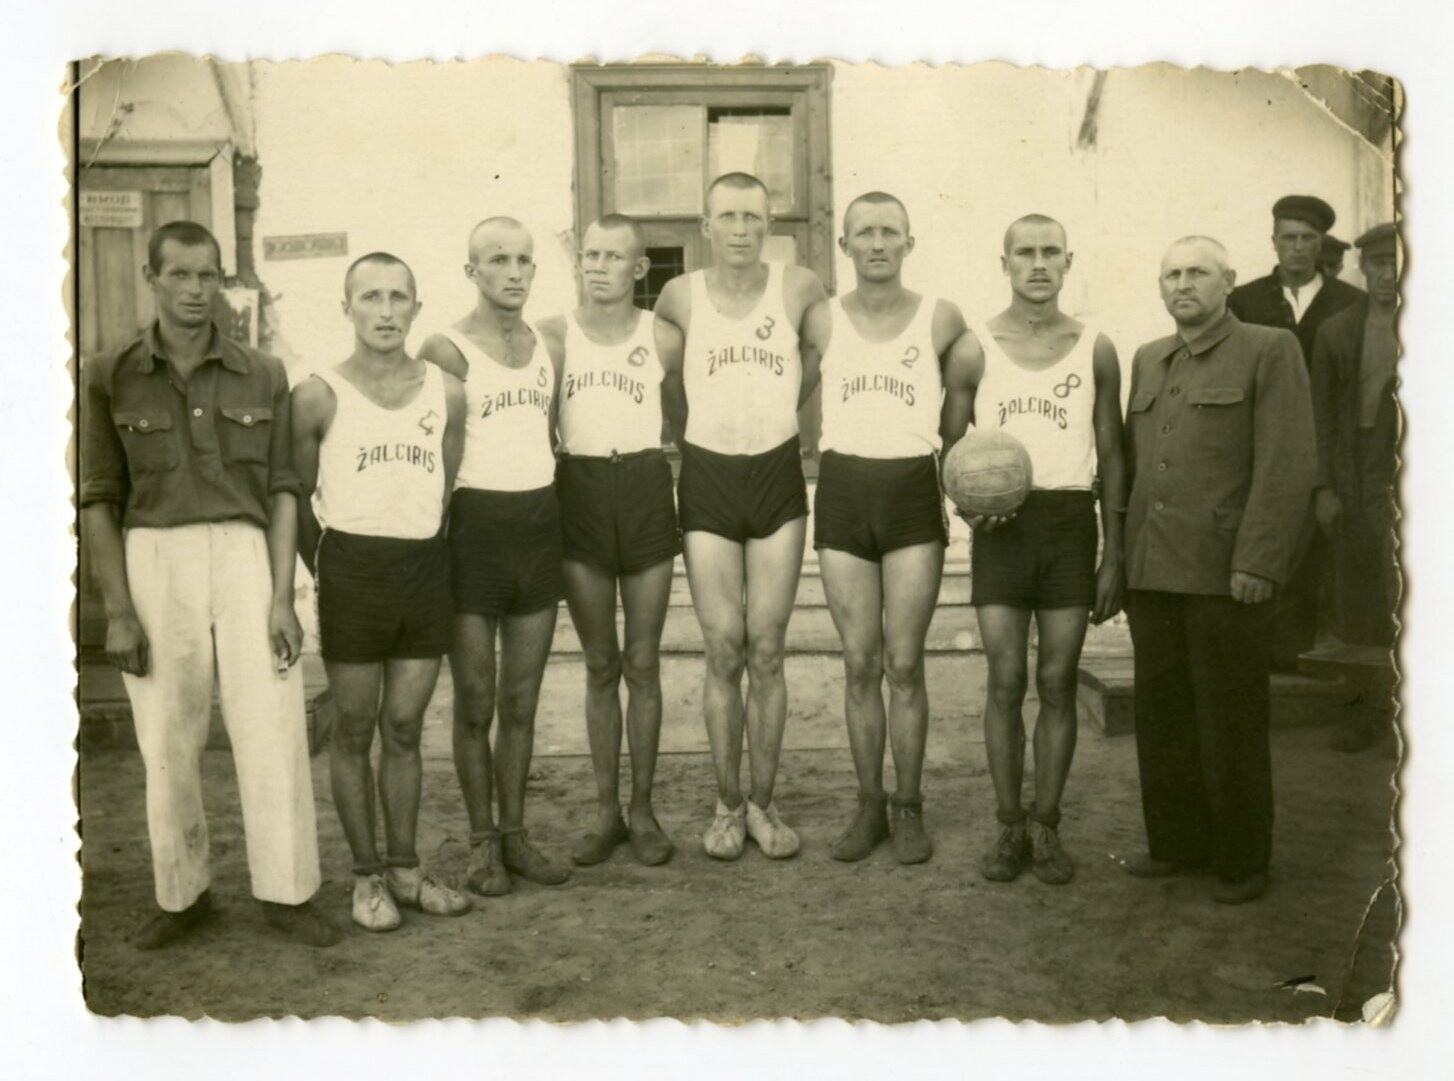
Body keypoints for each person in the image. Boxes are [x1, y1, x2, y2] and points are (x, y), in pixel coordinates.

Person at [80, 221, 339, 949]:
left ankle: (287, 893)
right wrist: (118, 610)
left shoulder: (263, 372)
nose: (195, 291)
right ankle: (181, 892)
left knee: (273, 724)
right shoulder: (111, 373)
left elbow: (286, 488)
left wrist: (283, 596)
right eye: (180, 275)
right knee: (166, 731)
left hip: (248, 554)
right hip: (154, 558)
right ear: (151, 277)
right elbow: (99, 496)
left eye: (208, 276)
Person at [1124, 236, 1314, 905]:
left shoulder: (1269, 349)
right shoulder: (1149, 359)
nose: (1183, 284)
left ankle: (1240, 858)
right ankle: (1176, 843)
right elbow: (1139, 471)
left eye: (1197, 273)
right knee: (1163, 717)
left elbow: (1288, 463)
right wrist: (1124, 564)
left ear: (1228, 281)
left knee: (1229, 722)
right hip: (1153, 573)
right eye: (1171, 273)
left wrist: (1260, 560)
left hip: (1226, 574)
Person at [940, 214, 1126, 885]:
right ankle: (1007, 824)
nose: (1039, 264)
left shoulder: (1095, 346)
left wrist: (1115, 552)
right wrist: (968, 505)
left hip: (1070, 521)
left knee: (1056, 679)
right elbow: (949, 446)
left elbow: (1111, 452)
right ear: (1005, 262)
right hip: (1004, 532)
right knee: (1006, 679)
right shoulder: (973, 347)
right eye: (1026, 252)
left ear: (1068, 261)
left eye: (1051, 252)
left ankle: (1047, 823)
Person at [293, 252, 472, 930]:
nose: (386, 310)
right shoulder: (316, 394)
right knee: (354, 725)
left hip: (424, 568)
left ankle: (405, 867)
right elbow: (298, 492)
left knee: (404, 726)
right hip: (351, 572)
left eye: (399, 297)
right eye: (371, 297)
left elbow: (444, 485)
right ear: (347, 308)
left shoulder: (447, 392)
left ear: (416, 308)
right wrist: (332, 567)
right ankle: (365, 877)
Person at [654, 173, 828, 860]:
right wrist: (694, 431)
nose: (740, 228)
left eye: (753, 216)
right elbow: (668, 383)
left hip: (776, 472)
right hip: (708, 475)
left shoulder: (799, 286)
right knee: (722, 646)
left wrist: (785, 410)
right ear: (706, 224)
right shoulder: (679, 294)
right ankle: (726, 804)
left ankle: (764, 800)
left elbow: (816, 360)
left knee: (769, 643)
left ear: (769, 223)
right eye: (726, 215)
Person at [797, 192, 958, 864]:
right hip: (842, 491)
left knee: (904, 662)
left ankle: (910, 804)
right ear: (845, 246)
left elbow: (970, 408)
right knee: (860, 662)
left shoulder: (942, 319)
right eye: (864, 233)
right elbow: (782, 397)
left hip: (910, 493)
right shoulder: (821, 319)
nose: (878, 243)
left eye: (890, 231)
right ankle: (869, 804)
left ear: (909, 241)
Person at [419, 217, 570, 895]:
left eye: (524, 260)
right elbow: (435, 456)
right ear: (471, 270)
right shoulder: (445, 347)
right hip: (473, 530)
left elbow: (544, 436)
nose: (514, 271)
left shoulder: (548, 344)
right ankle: (481, 843)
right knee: (475, 699)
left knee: (522, 699)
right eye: (498, 260)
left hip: (537, 526)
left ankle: (515, 834)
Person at [537, 215, 683, 867]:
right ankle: (604, 811)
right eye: (589, 255)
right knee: (600, 661)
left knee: (643, 661)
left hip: (646, 484)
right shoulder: (553, 338)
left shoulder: (665, 338)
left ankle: (644, 809)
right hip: (582, 488)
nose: (598, 266)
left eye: (613, 256)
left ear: (639, 268)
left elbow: (682, 416)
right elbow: (538, 428)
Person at [1228, 195, 1365, 669]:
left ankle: (1305, 658)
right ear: (1274, 241)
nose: (1299, 248)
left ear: (1321, 243)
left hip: (1328, 445)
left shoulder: (1351, 302)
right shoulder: (1243, 301)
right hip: (1260, 445)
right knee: (1263, 542)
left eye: (1309, 239)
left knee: (1320, 551)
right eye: (1290, 238)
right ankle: (1263, 659)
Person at [1310, 222, 1400, 751]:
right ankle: (1365, 715)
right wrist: (1324, 488)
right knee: (1358, 596)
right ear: (1362, 269)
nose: (1389, 274)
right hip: (1351, 468)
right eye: (1378, 264)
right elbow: (1320, 416)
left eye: (1398, 262)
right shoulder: (1338, 331)